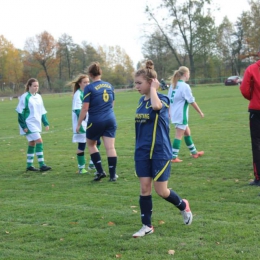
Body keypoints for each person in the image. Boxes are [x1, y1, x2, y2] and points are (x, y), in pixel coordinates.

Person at [132, 60, 192, 238]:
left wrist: (154, 90)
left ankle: (183, 205)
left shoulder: (163, 99)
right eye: (135, 83)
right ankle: (146, 225)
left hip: (159, 152)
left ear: (151, 83)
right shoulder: (140, 102)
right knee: (144, 189)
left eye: (139, 83)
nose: (136, 86)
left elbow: (157, 107)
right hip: (142, 152)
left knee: (161, 191)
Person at [76, 62, 118, 182]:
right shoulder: (109, 85)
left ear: (90, 74)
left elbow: (85, 108)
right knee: (110, 147)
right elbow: (112, 103)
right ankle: (113, 175)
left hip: (96, 120)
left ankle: (100, 171)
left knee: (91, 144)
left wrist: (79, 124)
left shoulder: (89, 88)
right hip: (110, 118)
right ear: (100, 73)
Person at [168, 66, 204, 163]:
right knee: (178, 135)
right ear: (185, 74)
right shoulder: (185, 86)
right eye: (189, 73)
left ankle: (194, 153)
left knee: (187, 132)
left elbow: (169, 101)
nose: (189, 75)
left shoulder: (173, 85)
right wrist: (200, 112)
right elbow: (191, 101)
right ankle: (173, 157)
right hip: (181, 115)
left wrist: (169, 113)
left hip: (174, 114)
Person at [15, 78, 51, 172]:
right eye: (34, 86)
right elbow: (20, 112)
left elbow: (42, 111)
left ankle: (29, 165)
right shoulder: (25, 97)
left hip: (36, 123)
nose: (36, 88)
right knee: (39, 141)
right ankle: (42, 164)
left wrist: (45, 123)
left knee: (32, 143)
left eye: (37, 86)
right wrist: (24, 126)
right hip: (28, 123)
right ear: (29, 86)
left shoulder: (39, 97)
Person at [70, 74, 101, 174]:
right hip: (82, 124)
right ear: (79, 84)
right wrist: (83, 121)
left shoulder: (88, 92)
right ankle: (81, 168)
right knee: (82, 144)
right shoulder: (78, 94)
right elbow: (78, 110)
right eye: (85, 82)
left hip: (90, 122)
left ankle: (92, 163)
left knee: (97, 142)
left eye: (88, 82)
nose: (87, 84)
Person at [240, 50, 260, 186]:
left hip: (256, 110)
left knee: (257, 144)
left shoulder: (252, 69)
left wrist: (253, 98)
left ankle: (259, 177)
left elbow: (244, 89)